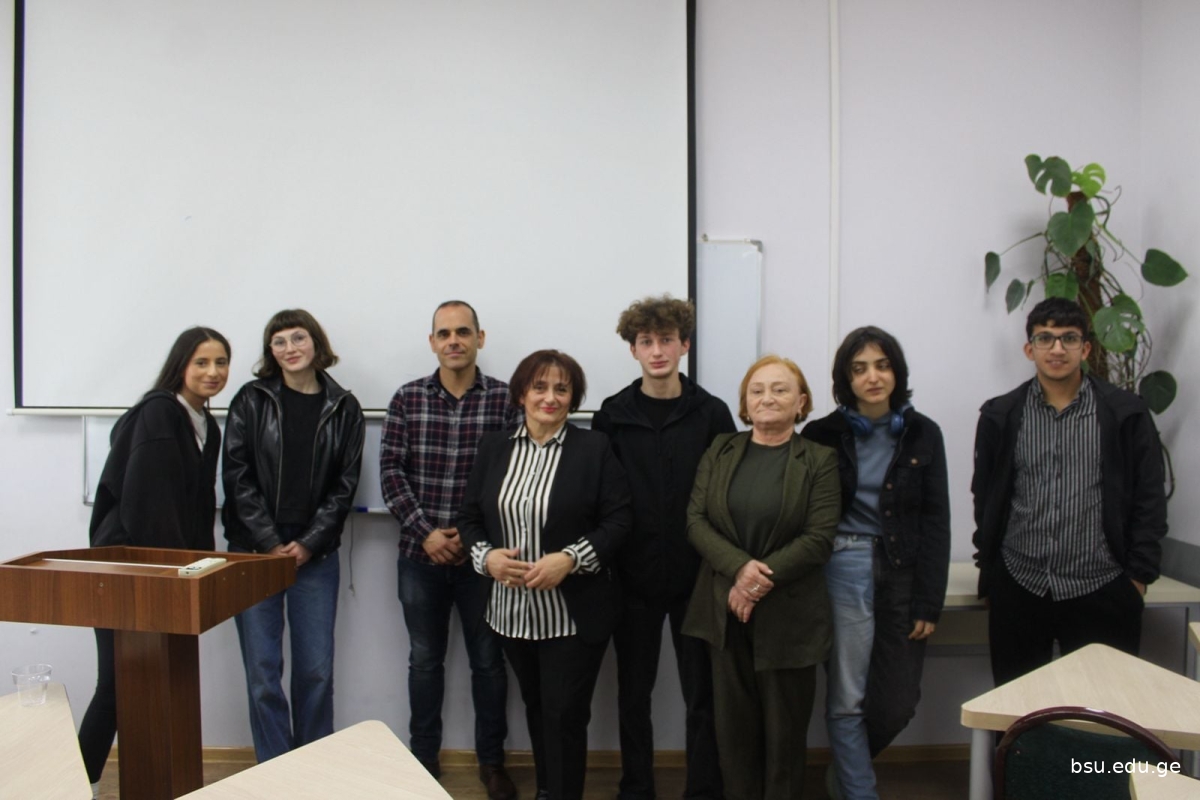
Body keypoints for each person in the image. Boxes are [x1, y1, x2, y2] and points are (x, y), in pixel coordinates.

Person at [459, 349, 631, 800]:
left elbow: (619, 520)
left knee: (565, 714)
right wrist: (486, 558)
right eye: (539, 387)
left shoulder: (593, 449)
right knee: (537, 707)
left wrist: (570, 559)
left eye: (561, 389)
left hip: (572, 613)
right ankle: (548, 789)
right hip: (511, 613)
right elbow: (469, 518)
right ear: (521, 393)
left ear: (573, 398)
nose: (550, 397)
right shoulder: (494, 447)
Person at [973, 297, 1168, 687]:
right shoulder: (1001, 415)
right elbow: (986, 496)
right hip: (1021, 585)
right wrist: (992, 572)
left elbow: (1149, 498)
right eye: (1045, 338)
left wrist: (1137, 577)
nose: (1057, 348)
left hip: (1102, 586)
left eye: (1069, 338)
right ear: (1029, 349)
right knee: (1017, 708)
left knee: (1103, 708)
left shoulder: (1126, 413)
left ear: (1086, 349)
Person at [592, 295, 734, 800]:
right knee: (634, 695)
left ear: (684, 345)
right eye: (646, 341)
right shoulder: (612, 415)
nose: (657, 351)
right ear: (633, 349)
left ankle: (704, 790)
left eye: (667, 340)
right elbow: (603, 497)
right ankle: (636, 788)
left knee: (702, 695)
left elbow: (726, 494)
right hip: (631, 580)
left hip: (698, 579)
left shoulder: (712, 413)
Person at [78, 326, 231, 794]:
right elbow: (150, 504)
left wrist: (202, 567)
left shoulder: (206, 425)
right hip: (128, 570)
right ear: (180, 366)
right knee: (117, 686)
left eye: (221, 362)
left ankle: (160, 782)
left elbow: (198, 507)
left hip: (165, 572)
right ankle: (74, 785)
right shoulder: (161, 412)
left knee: (154, 683)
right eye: (201, 362)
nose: (213, 372)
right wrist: (176, 573)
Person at [800, 327, 950, 800]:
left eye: (882, 365)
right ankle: (860, 791)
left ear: (896, 372)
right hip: (841, 567)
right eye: (859, 368)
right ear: (846, 378)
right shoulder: (821, 435)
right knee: (848, 697)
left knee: (898, 703)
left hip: (903, 571)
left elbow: (937, 521)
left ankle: (846, 771)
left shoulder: (924, 433)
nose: (873, 377)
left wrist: (929, 600)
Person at [380, 300, 521, 799]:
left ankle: (492, 763)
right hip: (420, 557)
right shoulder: (407, 398)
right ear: (432, 342)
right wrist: (426, 532)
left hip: (483, 562)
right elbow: (391, 473)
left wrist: (472, 536)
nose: (454, 340)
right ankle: (423, 760)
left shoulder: (506, 400)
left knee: (489, 663)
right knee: (424, 661)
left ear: (480, 338)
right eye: (444, 333)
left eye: (463, 332)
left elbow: (514, 476)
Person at [682, 355, 840, 800]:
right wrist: (739, 568)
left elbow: (819, 538)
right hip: (723, 612)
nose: (767, 398)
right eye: (757, 390)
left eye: (780, 389)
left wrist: (754, 583)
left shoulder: (820, 459)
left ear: (801, 402)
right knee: (733, 734)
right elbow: (695, 521)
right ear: (745, 404)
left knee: (784, 735)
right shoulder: (720, 449)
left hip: (790, 617)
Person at [222, 309, 365, 763]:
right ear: (271, 351)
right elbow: (237, 476)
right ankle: (274, 771)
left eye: (298, 338)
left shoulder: (344, 407)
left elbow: (345, 486)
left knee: (316, 672)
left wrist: (308, 543)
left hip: (314, 555)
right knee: (263, 674)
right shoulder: (250, 399)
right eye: (279, 341)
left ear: (316, 342)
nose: (290, 348)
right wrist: (269, 542)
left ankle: (313, 768)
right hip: (254, 552)